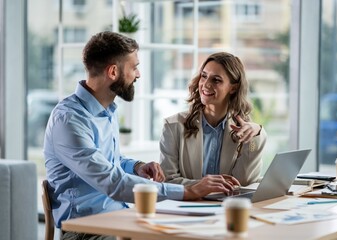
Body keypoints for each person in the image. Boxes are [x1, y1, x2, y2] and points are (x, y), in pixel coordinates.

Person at [44, 32, 239, 240]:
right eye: (134, 67)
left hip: (119, 218)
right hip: (85, 231)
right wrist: (189, 191)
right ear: (113, 72)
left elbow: (109, 162)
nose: (138, 75)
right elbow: (113, 182)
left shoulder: (106, 111)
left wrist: (137, 166)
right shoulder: (69, 121)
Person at [160, 52, 267, 187]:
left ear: (233, 88)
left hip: (228, 206)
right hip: (189, 206)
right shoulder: (173, 126)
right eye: (204, 76)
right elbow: (167, 181)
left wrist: (256, 134)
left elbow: (244, 182)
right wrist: (204, 187)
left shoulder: (243, 130)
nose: (205, 84)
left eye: (216, 80)